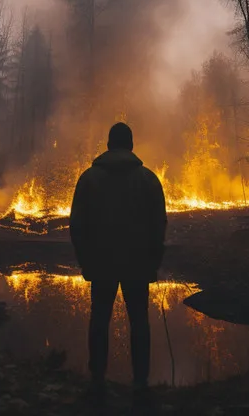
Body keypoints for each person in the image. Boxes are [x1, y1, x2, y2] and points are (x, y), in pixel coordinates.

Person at [70, 122, 167, 408]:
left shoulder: (88, 179)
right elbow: (158, 224)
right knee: (139, 322)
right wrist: (154, 262)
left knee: (99, 320)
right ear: (131, 145)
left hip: (101, 264)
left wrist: (85, 261)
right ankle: (140, 385)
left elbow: (77, 225)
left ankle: (97, 382)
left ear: (109, 145)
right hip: (138, 264)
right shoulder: (148, 180)